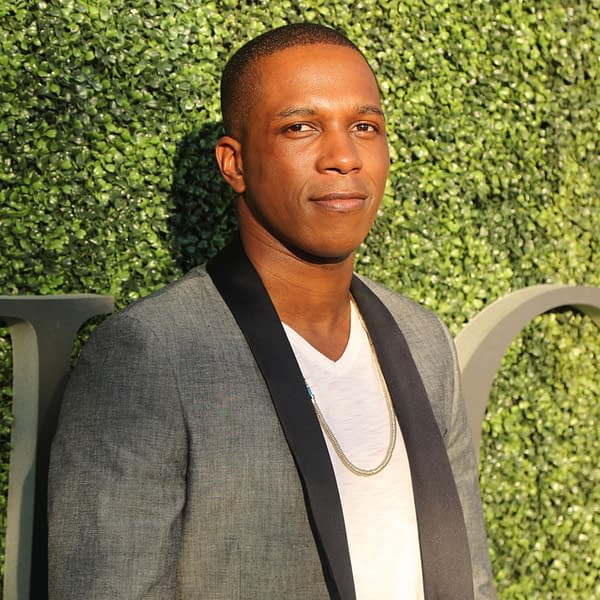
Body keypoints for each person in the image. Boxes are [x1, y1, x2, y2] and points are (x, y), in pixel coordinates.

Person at [48, 23, 496, 599]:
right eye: (301, 127)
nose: (343, 156)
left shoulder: (422, 336)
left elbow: (470, 576)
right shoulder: (152, 353)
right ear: (233, 164)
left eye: (365, 126)